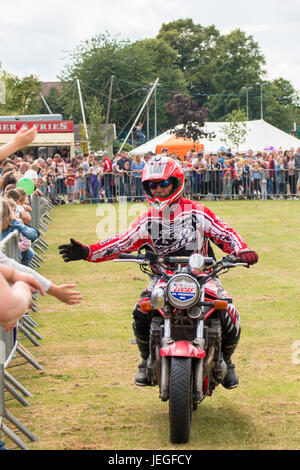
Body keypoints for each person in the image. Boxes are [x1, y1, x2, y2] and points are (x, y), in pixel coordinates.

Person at [59, 155, 258, 390]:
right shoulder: (147, 220)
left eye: (164, 183)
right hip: (162, 278)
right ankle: (145, 361)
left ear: (177, 183)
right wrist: (88, 251)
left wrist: (242, 250)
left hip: (203, 278)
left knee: (228, 311)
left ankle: (227, 361)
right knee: (141, 311)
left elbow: (226, 234)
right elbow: (122, 242)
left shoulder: (198, 213)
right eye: (153, 185)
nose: (158, 189)